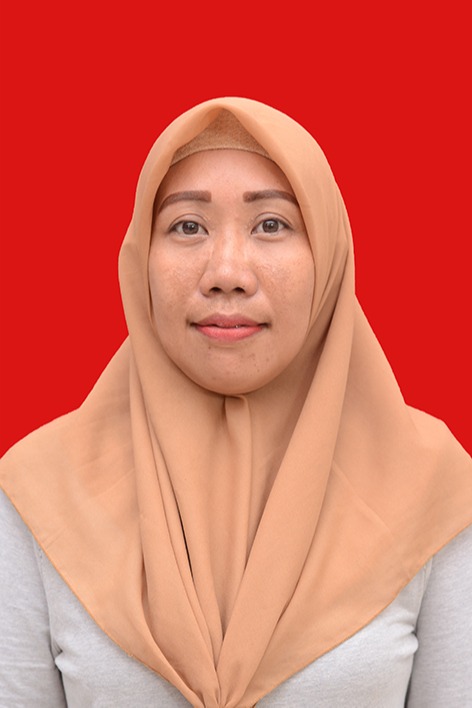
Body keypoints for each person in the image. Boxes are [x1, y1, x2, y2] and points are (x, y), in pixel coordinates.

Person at [1, 98, 471, 708]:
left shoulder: (433, 484)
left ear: (328, 257)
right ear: (141, 259)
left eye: (271, 224)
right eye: (187, 226)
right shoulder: (40, 490)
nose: (227, 271)